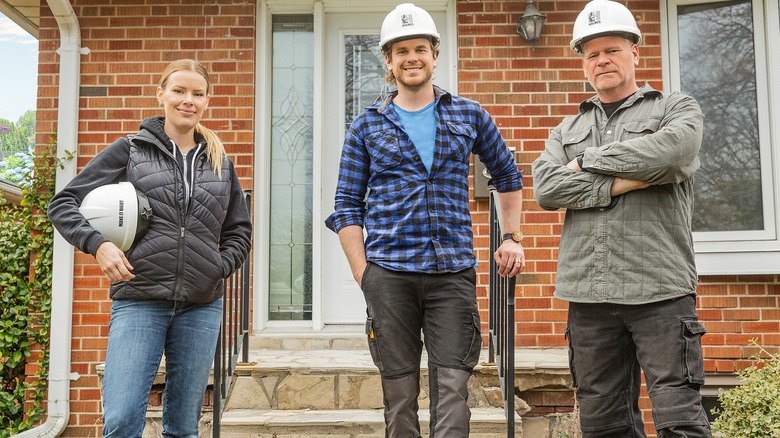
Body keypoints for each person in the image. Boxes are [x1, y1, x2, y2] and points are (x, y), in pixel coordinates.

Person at [325, 3, 524, 437]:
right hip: (390, 275)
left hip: (452, 273)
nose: (411, 58)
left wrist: (510, 235)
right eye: (401, 51)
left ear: (435, 55)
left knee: (453, 388)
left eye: (420, 48)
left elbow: (507, 174)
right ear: (389, 62)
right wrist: (364, 274)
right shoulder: (366, 126)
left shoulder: (469, 115)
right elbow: (346, 205)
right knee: (399, 396)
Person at [532, 0, 711, 436]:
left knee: (680, 418)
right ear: (583, 65)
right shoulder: (565, 129)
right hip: (589, 296)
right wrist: (620, 182)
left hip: (660, 290)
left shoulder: (675, 108)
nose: (602, 60)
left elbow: (673, 154)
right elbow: (547, 189)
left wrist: (587, 161)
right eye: (592, 54)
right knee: (603, 423)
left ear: (635, 52)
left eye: (611, 49)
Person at [48, 59, 252, 437]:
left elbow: (239, 231)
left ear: (207, 101)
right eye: (179, 91)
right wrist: (100, 245)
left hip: (201, 306)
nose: (187, 100)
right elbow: (63, 203)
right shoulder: (131, 150)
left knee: (183, 427)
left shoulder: (221, 162)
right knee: (122, 419)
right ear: (161, 95)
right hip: (139, 299)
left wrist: (217, 267)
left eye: (197, 93)